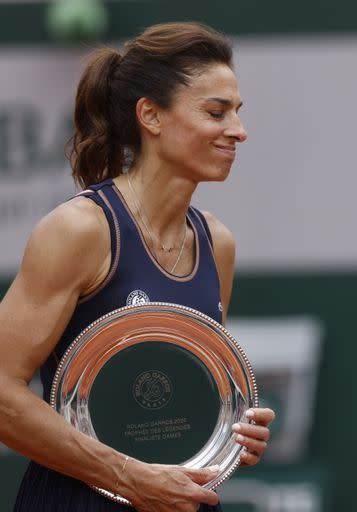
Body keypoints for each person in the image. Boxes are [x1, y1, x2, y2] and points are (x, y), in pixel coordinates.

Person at [0, 22, 275, 512]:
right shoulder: (80, 230)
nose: (238, 130)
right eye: (216, 112)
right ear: (150, 115)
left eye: (237, 112)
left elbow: (187, 396)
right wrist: (129, 479)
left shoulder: (218, 244)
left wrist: (231, 434)